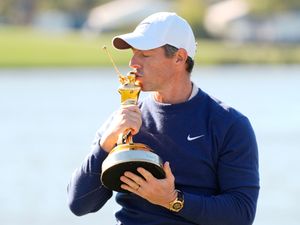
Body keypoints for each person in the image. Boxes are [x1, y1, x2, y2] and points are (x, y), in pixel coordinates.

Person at [67, 12, 260, 225]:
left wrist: (172, 200)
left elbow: (241, 214)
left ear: (179, 57)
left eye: (145, 55)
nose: (133, 63)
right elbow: (79, 204)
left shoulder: (229, 124)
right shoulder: (122, 121)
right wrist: (106, 144)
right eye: (133, 53)